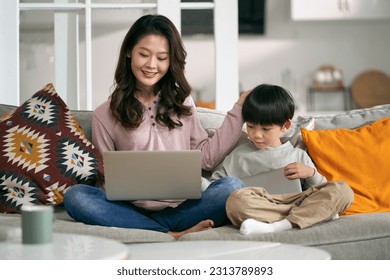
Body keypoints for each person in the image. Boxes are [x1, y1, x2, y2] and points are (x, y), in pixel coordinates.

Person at [63, 14, 249, 240]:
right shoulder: (104, 114)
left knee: (232, 186)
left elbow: (206, 159)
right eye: (144, 54)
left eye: (162, 58)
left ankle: (153, 230)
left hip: (183, 209)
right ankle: (171, 234)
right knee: (76, 196)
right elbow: (105, 179)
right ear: (130, 51)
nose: (152, 65)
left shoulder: (183, 103)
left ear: (171, 61)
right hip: (129, 210)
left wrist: (239, 109)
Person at [208, 83, 354, 235]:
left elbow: (322, 187)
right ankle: (312, 216)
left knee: (343, 190)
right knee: (236, 202)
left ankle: (279, 225)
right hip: (260, 205)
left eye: (265, 129)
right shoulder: (238, 156)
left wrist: (311, 174)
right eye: (250, 126)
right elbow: (216, 189)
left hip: (295, 202)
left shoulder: (298, 155)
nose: (256, 135)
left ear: (285, 125)